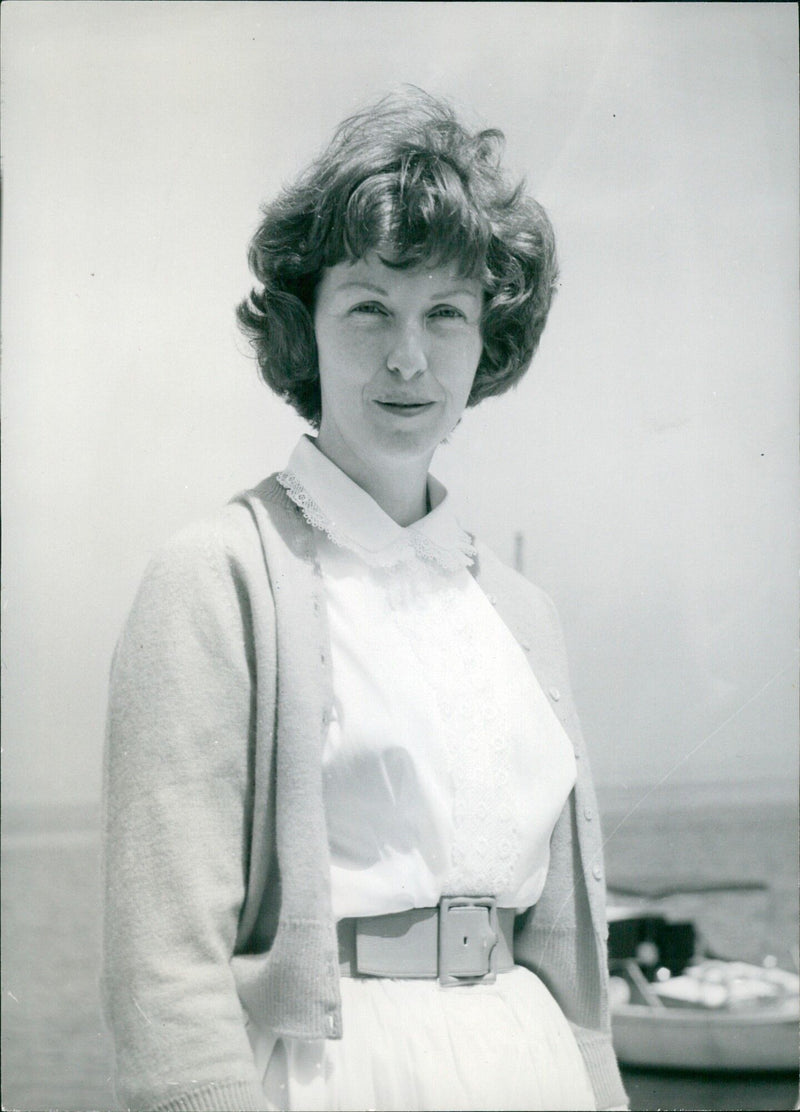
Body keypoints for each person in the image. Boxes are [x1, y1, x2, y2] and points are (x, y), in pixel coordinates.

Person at [101, 89, 628, 1112]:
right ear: (304, 325)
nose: (406, 356)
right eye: (368, 308)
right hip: (340, 1071)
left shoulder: (520, 613)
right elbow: (167, 974)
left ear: (488, 338)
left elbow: (571, 972)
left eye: (444, 312)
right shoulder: (214, 575)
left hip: (530, 1066)